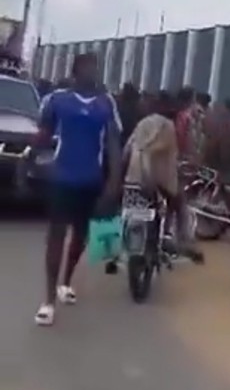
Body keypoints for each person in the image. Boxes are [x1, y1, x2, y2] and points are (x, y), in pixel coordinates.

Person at [34, 52, 122, 326]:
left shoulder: (106, 103)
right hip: (62, 178)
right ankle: (48, 301)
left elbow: (113, 145)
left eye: (96, 67)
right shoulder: (57, 100)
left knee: (81, 236)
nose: (94, 71)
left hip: (91, 180)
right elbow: (43, 136)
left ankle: (66, 282)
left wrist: (113, 182)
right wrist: (31, 160)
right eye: (88, 67)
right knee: (56, 236)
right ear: (76, 71)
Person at [124, 92, 204, 264]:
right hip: (154, 180)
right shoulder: (168, 126)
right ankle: (174, 240)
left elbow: (128, 148)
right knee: (177, 203)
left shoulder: (142, 123)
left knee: (126, 209)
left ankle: (115, 247)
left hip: (133, 178)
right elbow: (158, 154)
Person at [175, 86, 205, 163]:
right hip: (194, 156)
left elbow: (180, 136)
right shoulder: (195, 115)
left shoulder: (183, 116)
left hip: (185, 156)